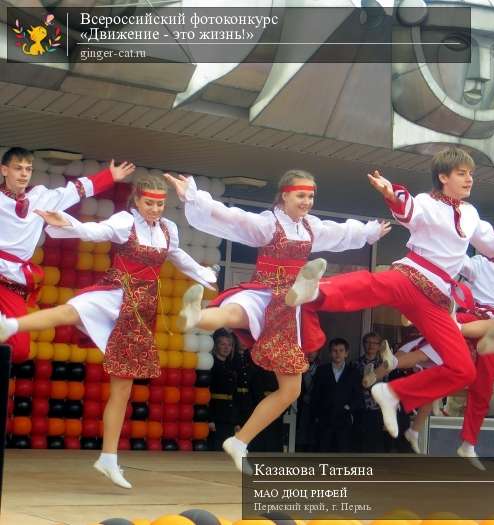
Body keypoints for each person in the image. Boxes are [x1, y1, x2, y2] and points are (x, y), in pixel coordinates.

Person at [285, 147, 494, 442]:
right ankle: (314, 292)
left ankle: (392, 392)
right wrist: (391, 194)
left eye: (471, 174)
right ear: (443, 176)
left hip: (436, 298)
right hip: (410, 275)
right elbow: (408, 210)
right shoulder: (427, 202)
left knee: (463, 369)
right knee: (369, 285)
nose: (469, 180)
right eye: (462, 174)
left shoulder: (472, 214)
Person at [0, 173, 217, 488]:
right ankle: (10, 325)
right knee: (70, 311)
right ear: (137, 201)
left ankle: (108, 458)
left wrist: (202, 273)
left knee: (123, 388)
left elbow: (177, 257)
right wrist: (67, 223)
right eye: (149, 203)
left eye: (160, 204)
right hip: (116, 292)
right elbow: (94, 231)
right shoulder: (125, 222)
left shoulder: (169, 230)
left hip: (141, 311)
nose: (156, 209)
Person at [165, 170, 389, 471]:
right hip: (265, 293)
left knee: (290, 390)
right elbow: (232, 218)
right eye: (301, 195)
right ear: (284, 195)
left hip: (286, 308)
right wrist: (194, 196)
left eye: (311, 196)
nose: (307, 202)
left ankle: (239, 440)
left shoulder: (311, 227)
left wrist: (370, 232)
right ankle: (197, 315)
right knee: (232, 315)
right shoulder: (268, 223)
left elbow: (341, 234)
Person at [0, 147, 134, 363]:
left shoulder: (39, 198)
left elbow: (76, 190)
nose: (24, 173)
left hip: (13, 281)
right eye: (18, 168)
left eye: (28, 169)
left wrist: (109, 176)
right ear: (4, 170)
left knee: (20, 349)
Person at [311, 338, 363, 452]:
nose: (338, 354)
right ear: (330, 353)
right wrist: (316, 416)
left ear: (346, 353)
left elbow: (359, 396)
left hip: (344, 419)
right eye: (334, 351)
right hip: (325, 419)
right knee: (323, 452)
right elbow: (315, 395)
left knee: (342, 453)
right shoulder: (322, 370)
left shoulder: (354, 372)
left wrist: (349, 408)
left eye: (341, 350)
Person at [208, 329, 238, 451]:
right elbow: (207, 393)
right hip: (216, 412)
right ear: (216, 346)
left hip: (228, 415)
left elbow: (234, 395)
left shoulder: (231, 366)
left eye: (229, 345)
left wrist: (236, 420)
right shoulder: (211, 364)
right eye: (222, 344)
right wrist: (209, 418)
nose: (226, 348)